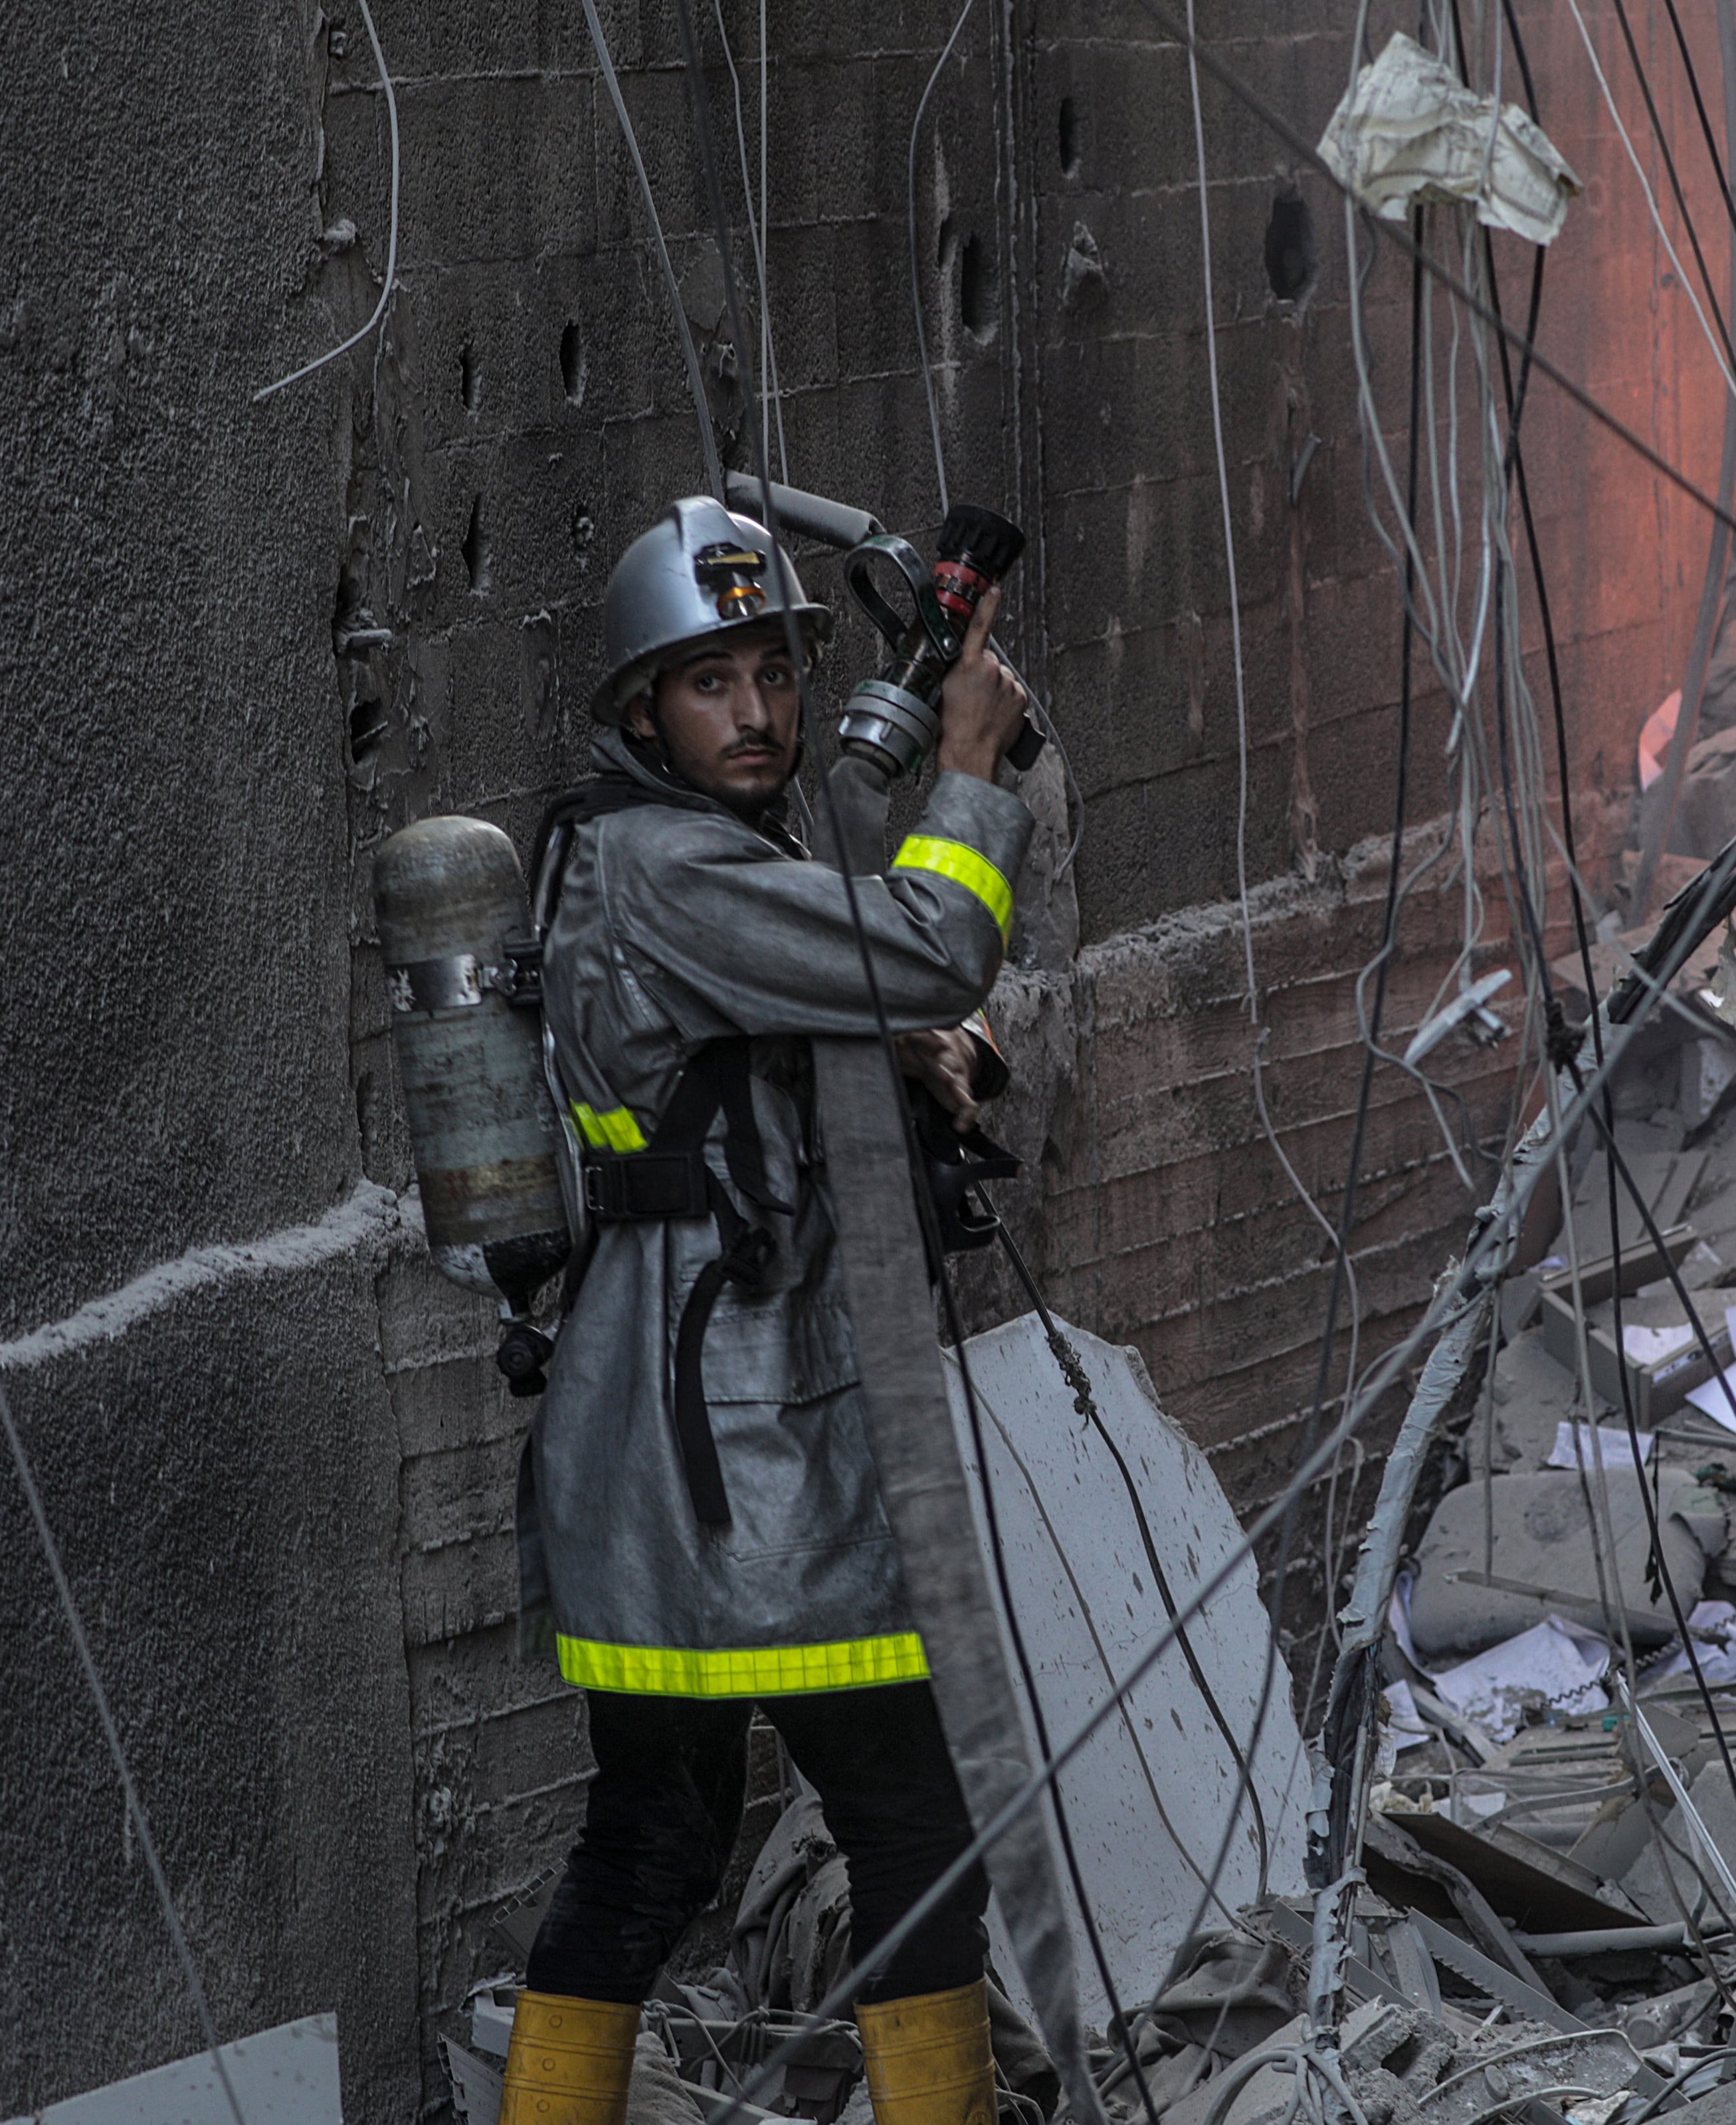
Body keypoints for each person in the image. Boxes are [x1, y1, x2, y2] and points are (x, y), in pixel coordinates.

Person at [496, 493, 1035, 2125]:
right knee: (915, 1829)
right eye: (711, 683)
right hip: (738, 1461)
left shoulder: (698, 854)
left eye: (775, 674)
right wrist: (967, 771)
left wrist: (917, 1061)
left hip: (673, 1451)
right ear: (642, 709)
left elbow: (813, 1044)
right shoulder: (666, 864)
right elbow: (933, 946)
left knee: (653, 1843)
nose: (759, 714)